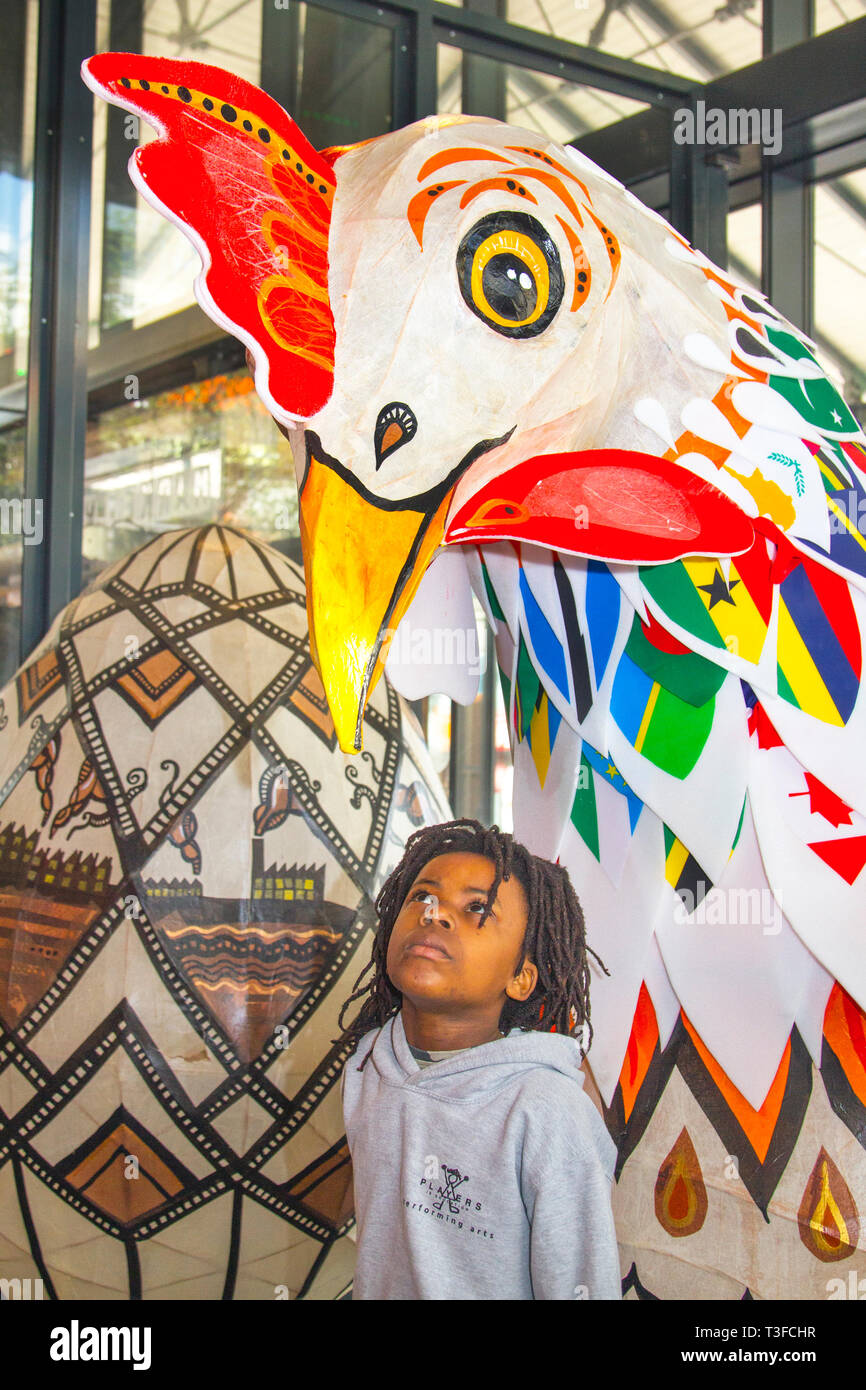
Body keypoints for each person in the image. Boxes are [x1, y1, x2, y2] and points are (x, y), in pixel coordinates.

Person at [336, 816, 621, 1300]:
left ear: (520, 978)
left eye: (476, 909)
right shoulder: (367, 1066)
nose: (436, 915)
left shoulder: (545, 1110)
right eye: (422, 897)